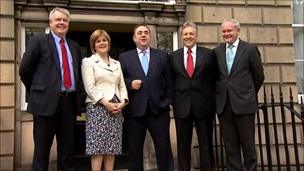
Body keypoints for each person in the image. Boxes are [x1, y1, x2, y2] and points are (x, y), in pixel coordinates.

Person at [19, 7, 84, 171]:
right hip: (44, 104)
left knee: (67, 152)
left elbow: (79, 75)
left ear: (68, 24)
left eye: (65, 20)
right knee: (41, 151)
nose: (62, 23)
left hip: (68, 104)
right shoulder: (39, 40)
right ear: (50, 22)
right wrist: (38, 90)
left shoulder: (74, 46)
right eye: (58, 20)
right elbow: (24, 70)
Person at [119, 24, 174, 171]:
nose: (143, 35)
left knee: (164, 150)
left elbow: (170, 82)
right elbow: (118, 81)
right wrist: (130, 84)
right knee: (134, 151)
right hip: (135, 112)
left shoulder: (162, 56)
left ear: (150, 37)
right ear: (134, 38)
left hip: (159, 111)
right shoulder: (124, 57)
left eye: (146, 33)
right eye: (139, 33)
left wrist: (167, 102)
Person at [214, 18, 264, 171]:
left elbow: (259, 76)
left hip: (244, 105)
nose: (226, 34)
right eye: (224, 31)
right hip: (224, 106)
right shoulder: (217, 51)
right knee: (230, 147)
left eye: (229, 30)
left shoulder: (249, 49)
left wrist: (247, 93)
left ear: (237, 30)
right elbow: (215, 77)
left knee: (248, 147)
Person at [168, 21, 216, 171]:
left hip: (204, 107)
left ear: (196, 35)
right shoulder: (173, 57)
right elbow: (170, 81)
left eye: (191, 34)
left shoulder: (208, 54)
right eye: (185, 34)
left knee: (206, 144)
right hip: (182, 107)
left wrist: (212, 101)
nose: (188, 36)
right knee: (183, 146)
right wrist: (172, 101)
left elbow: (214, 79)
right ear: (182, 36)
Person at [81, 29, 128, 171]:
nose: (102, 43)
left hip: (116, 109)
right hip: (98, 108)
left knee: (112, 148)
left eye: (104, 40)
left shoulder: (116, 63)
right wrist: (106, 103)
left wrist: (123, 103)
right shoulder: (88, 62)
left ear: (109, 43)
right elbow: (90, 87)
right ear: (93, 45)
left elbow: (121, 86)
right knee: (97, 149)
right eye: (98, 41)